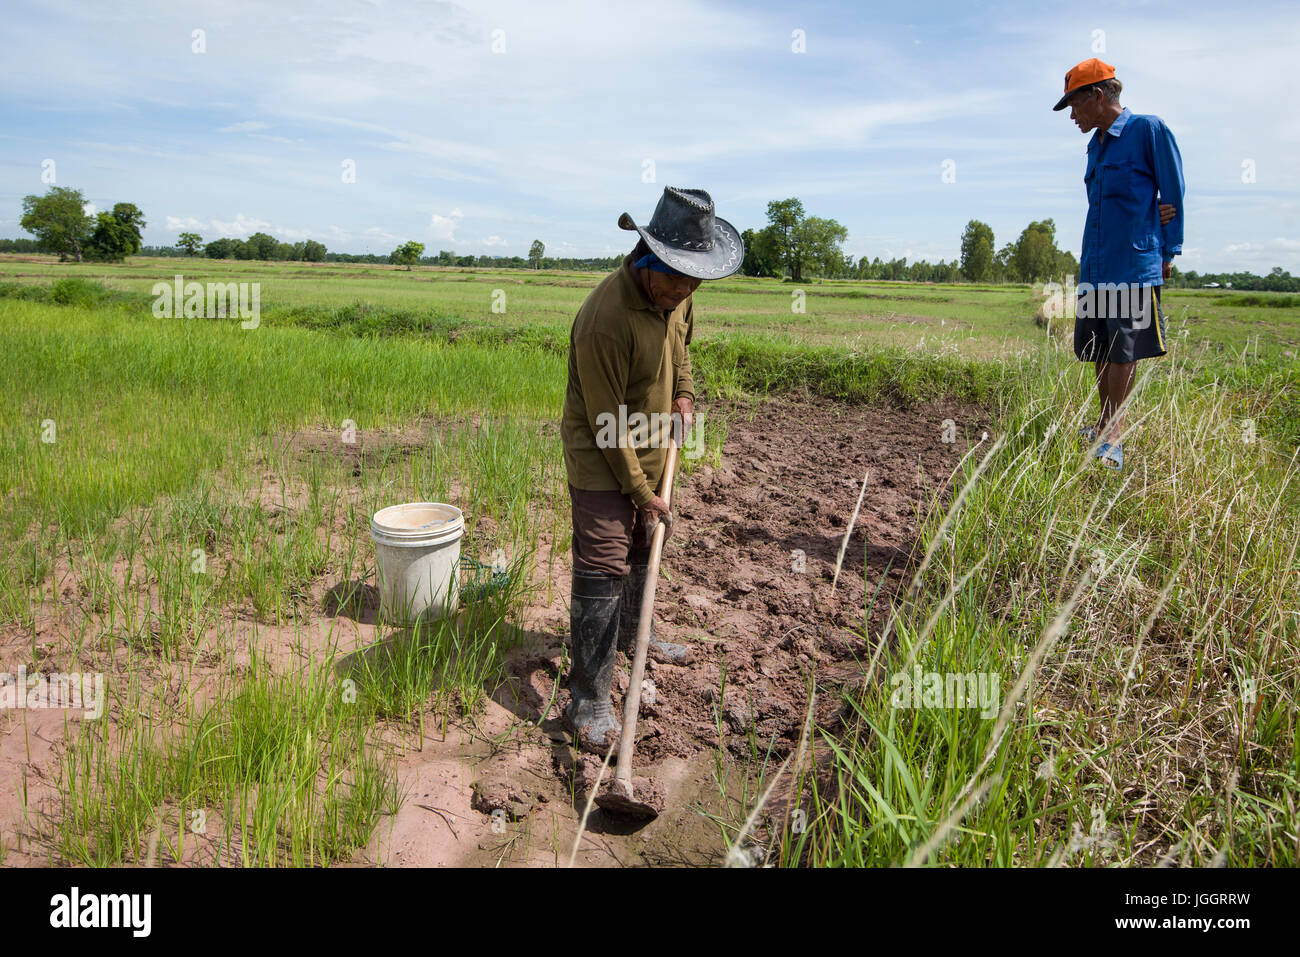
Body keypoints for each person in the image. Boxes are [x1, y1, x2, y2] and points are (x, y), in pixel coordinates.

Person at [560, 186, 743, 754]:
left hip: (651, 436)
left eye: (696, 282)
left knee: (646, 540)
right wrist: (639, 491)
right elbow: (603, 420)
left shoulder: (679, 292)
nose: (689, 292)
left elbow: (682, 345)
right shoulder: (603, 321)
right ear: (649, 261)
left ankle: (641, 635)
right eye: (681, 281)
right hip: (601, 449)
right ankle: (588, 698)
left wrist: (683, 395)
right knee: (603, 560)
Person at [1055, 58, 1185, 470]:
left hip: (1133, 261)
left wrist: (1168, 250)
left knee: (1123, 350)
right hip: (1096, 261)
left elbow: (1173, 193)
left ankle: (1113, 435)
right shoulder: (1095, 144)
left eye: (1074, 105)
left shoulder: (1148, 130)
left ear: (1097, 95)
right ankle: (1101, 423)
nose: (1072, 115)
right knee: (1098, 346)